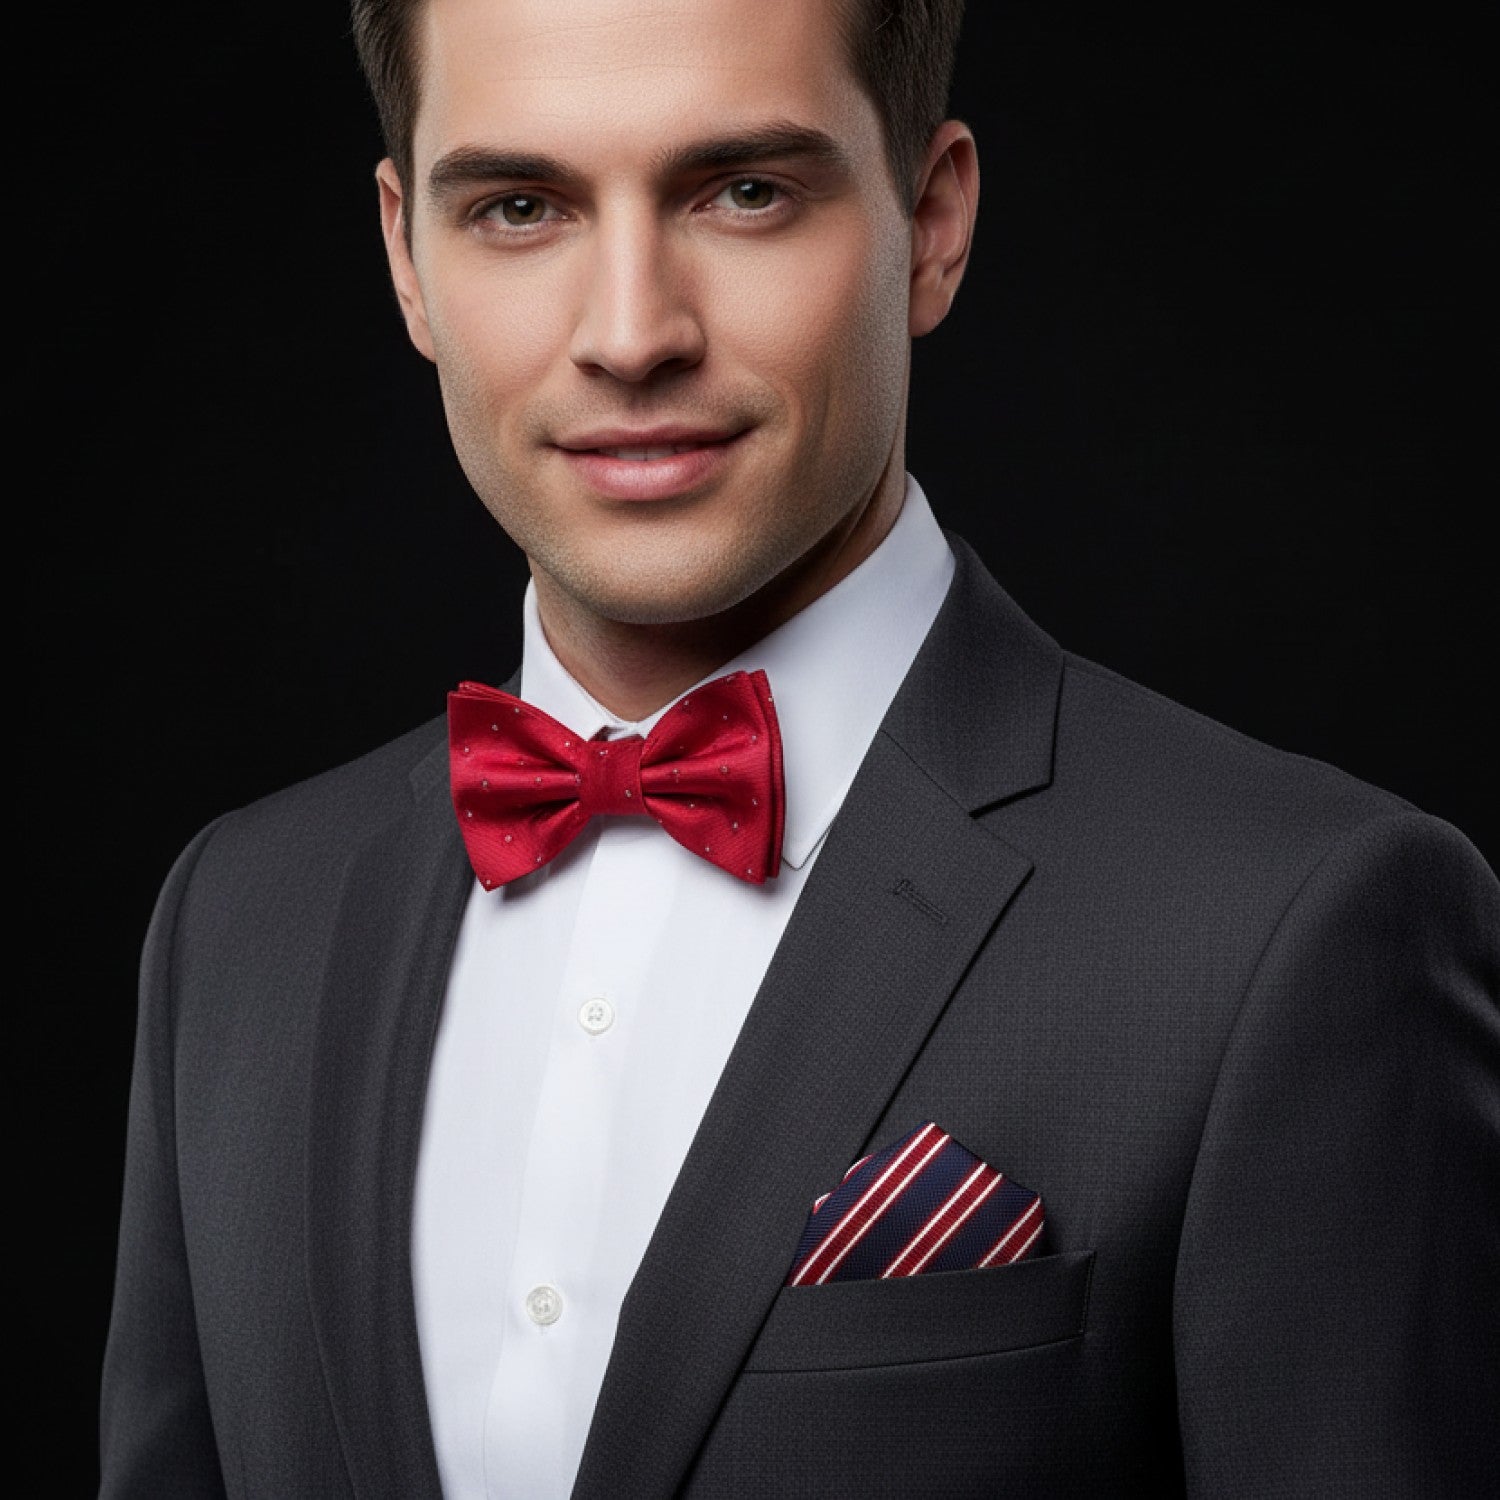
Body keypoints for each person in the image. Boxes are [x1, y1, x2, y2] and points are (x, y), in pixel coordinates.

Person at [98, 0, 1498, 1494]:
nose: (631, 334)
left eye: (745, 192)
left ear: (934, 219)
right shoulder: (236, 918)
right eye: (520, 208)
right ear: (406, 258)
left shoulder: (1301, 926)